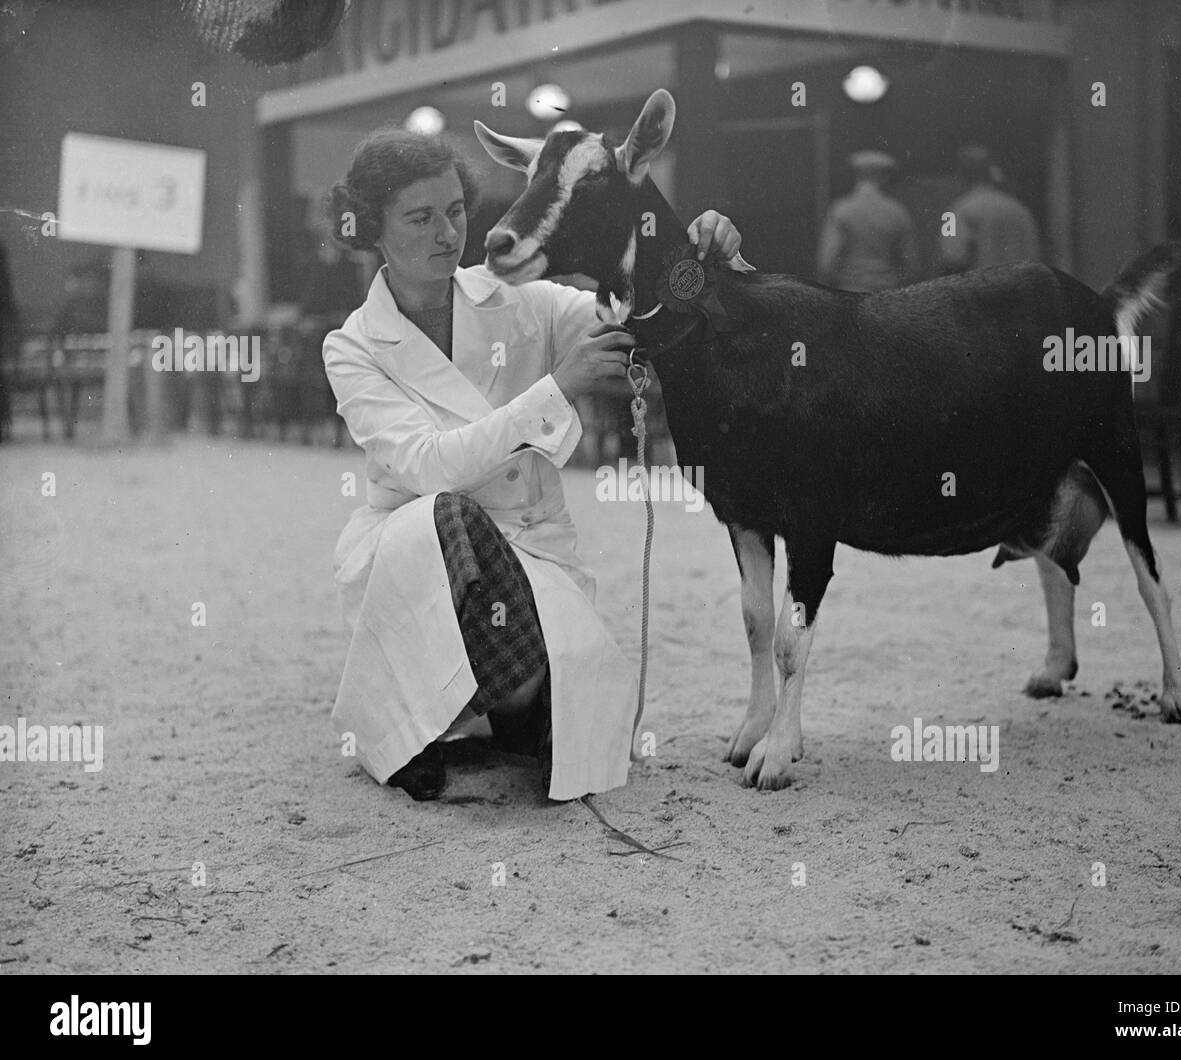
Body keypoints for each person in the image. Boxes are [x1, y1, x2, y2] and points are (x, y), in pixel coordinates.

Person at [323, 127, 743, 803]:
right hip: (424, 552)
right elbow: (431, 466)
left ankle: (514, 701)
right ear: (373, 226)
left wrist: (697, 251)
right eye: (420, 217)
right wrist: (556, 389)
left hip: (532, 552)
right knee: (447, 512)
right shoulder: (352, 347)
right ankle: (444, 724)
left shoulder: (524, 298)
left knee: (574, 723)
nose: (447, 233)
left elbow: (645, 317)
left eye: (457, 210)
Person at [817, 150, 917, 293]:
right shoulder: (898, 212)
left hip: (849, 293)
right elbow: (911, 264)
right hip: (887, 293)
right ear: (884, 177)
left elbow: (827, 263)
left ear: (857, 175)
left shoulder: (841, 210)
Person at [936, 145, 1041, 273]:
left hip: (981, 291)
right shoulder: (1021, 210)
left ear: (962, 175)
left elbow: (951, 259)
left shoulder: (956, 211)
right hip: (1021, 289)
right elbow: (1034, 257)